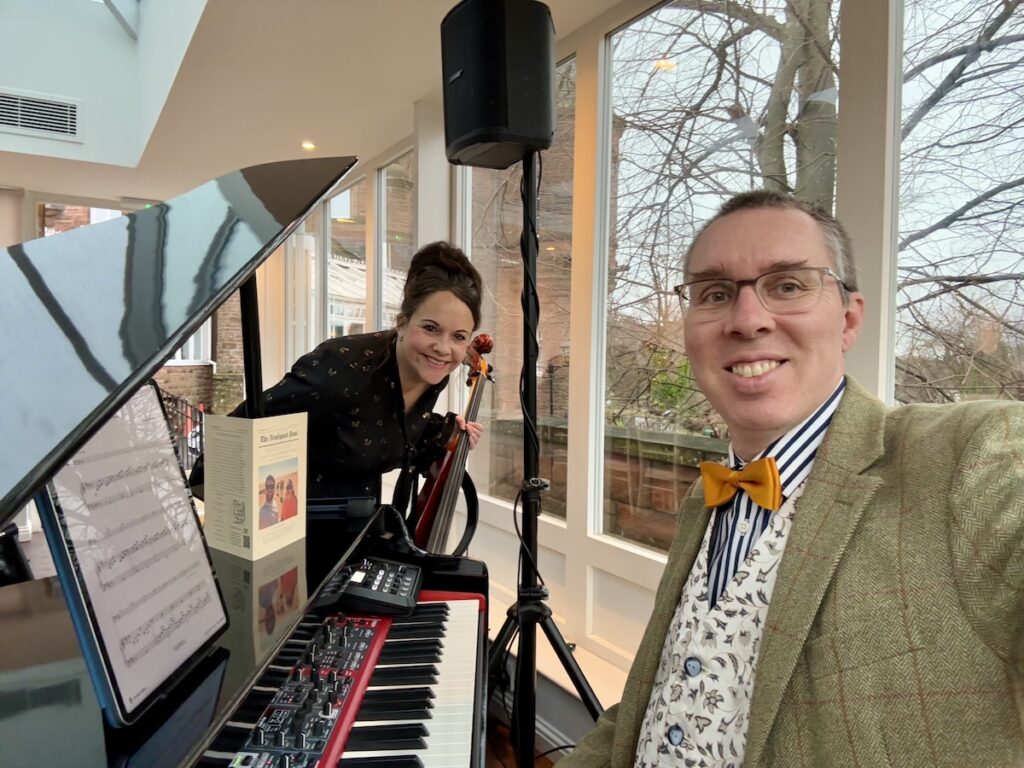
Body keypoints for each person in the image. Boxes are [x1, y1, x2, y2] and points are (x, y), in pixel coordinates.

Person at [561, 191, 1023, 767]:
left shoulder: (974, 457)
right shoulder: (703, 499)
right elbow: (655, 697)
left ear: (849, 318)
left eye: (787, 285)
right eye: (714, 293)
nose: (748, 319)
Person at [192, 241, 484, 509]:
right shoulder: (341, 371)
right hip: (295, 525)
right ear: (402, 324)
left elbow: (383, 431)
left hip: (356, 526)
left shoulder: (431, 370)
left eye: (458, 336)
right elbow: (237, 435)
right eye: (430, 328)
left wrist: (441, 435)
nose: (443, 348)